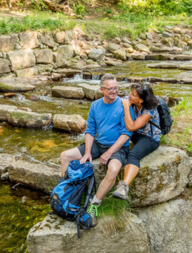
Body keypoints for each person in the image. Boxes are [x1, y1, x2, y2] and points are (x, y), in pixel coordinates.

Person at [60, 74, 134, 227]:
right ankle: (66, 193)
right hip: (98, 144)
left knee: (113, 170)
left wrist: (108, 153)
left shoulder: (124, 105)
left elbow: (126, 134)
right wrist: (88, 152)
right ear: (101, 89)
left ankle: (94, 205)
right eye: (110, 89)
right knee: (65, 156)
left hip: (117, 147)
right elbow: (90, 130)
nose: (114, 91)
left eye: (116, 88)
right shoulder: (95, 105)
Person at [112, 83, 161, 200]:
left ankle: (123, 188)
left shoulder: (150, 110)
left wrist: (126, 107)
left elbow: (131, 127)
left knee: (133, 155)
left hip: (149, 138)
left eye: (133, 94)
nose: (129, 95)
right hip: (135, 135)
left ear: (141, 100)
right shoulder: (128, 100)